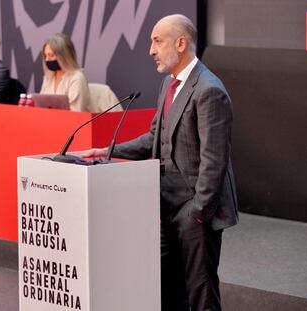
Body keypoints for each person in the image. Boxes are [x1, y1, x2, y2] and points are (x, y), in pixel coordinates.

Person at [82, 14, 238, 310]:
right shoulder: (169, 83)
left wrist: (199, 213)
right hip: (167, 206)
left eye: (157, 41)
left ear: (180, 43)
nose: (150, 50)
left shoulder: (209, 90)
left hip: (195, 211)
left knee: (201, 293)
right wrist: (107, 150)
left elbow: (214, 162)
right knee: (165, 289)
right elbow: (154, 138)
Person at [40, 33, 91, 111]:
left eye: (51, 55)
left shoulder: (77, 78)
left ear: (64, 56)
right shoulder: (48, 78)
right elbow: (40, 106)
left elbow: (75, 112)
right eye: (45, 55)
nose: (47, 59)